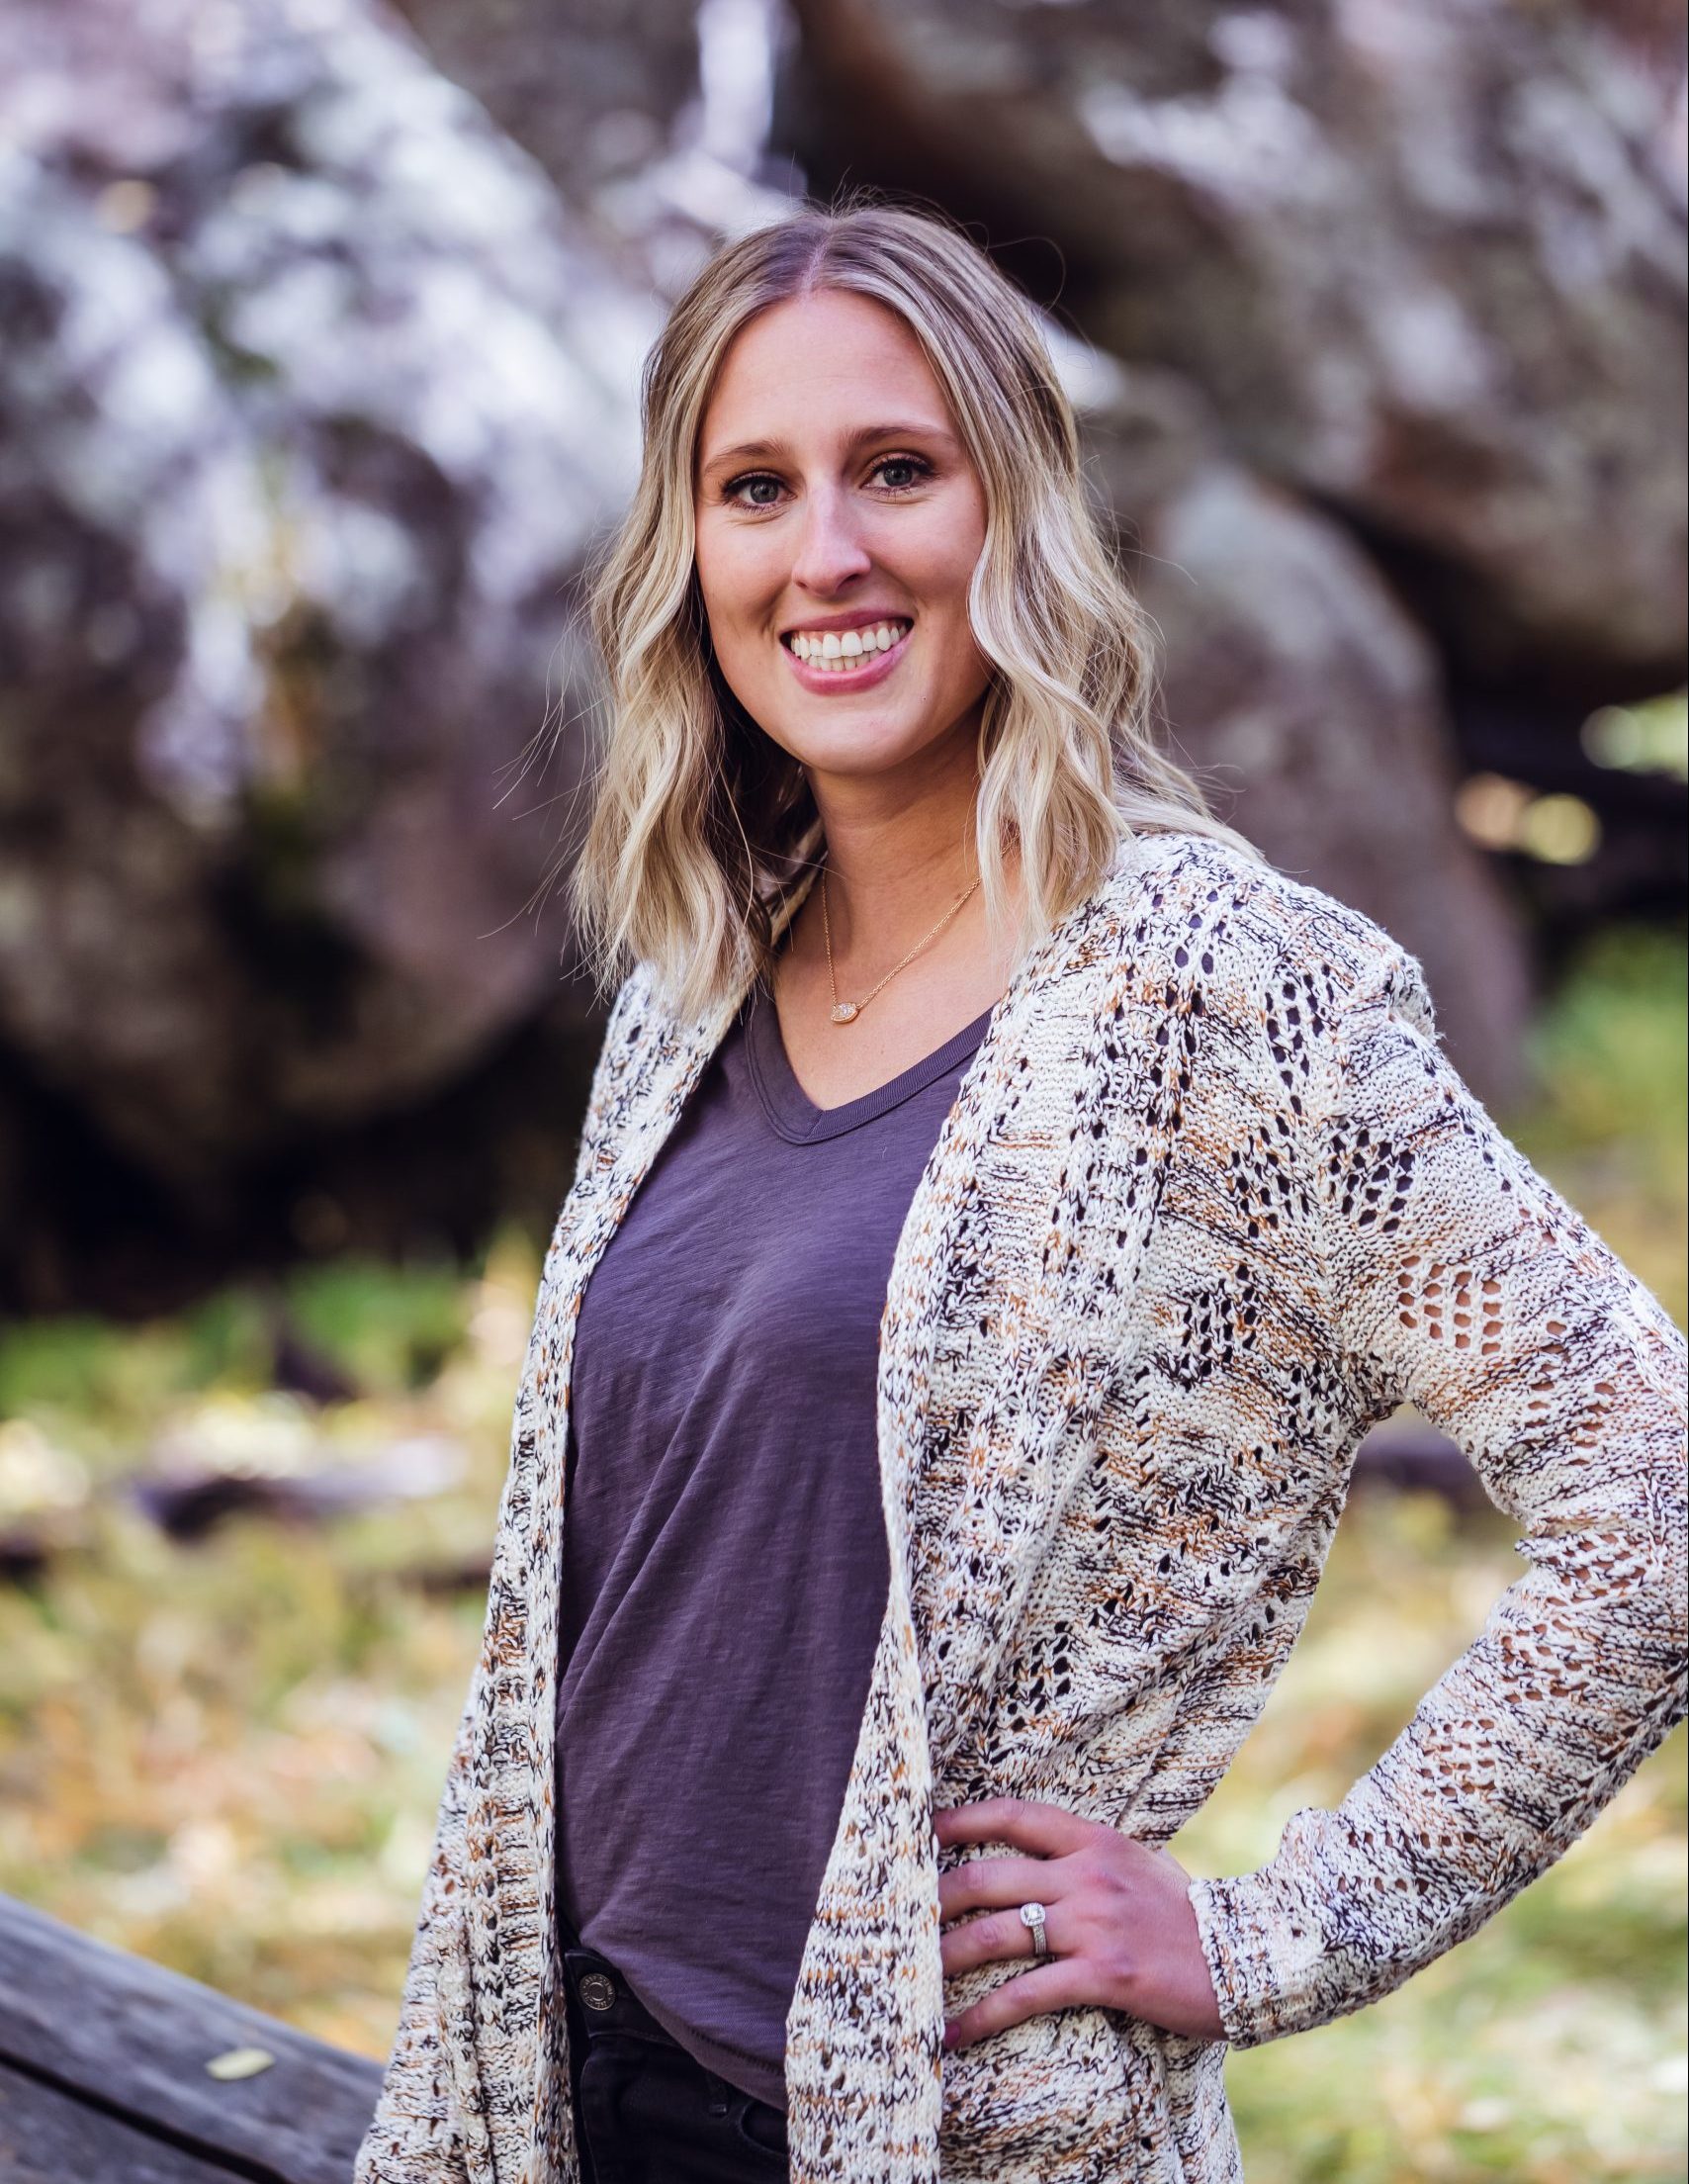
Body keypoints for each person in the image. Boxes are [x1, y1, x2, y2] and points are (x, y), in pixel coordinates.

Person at [354, 202, 1687, 2184]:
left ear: (1017, 510)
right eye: (754, 488)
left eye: (898, 469)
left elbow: (1651, 1483)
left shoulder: (1229, 997)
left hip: (956, 2128)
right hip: (567, 2081)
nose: (825, 552)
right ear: (687, 554)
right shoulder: (690, 985)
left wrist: (1276, 1934)